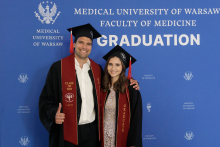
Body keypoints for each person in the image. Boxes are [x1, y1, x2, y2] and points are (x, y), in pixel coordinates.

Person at [38, 24, 140, 147]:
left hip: (93, 134)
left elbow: (113, 83)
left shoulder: (97, 69)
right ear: (74, 44)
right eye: (81, 42)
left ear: (91, 46)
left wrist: (131, 82)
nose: (84, 47)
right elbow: (46, 99)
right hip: (68, 132)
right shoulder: (58, 68)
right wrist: (54, 113)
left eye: (89, 43)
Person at [100, 45, 143, 147]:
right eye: (110, 64)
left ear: (123, 67)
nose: (113, 68)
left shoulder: (131, 89)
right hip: (103, 140)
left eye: (117, 65)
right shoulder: (101, 87)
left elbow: (136, 120)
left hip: (123, 141)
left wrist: (133, 144)